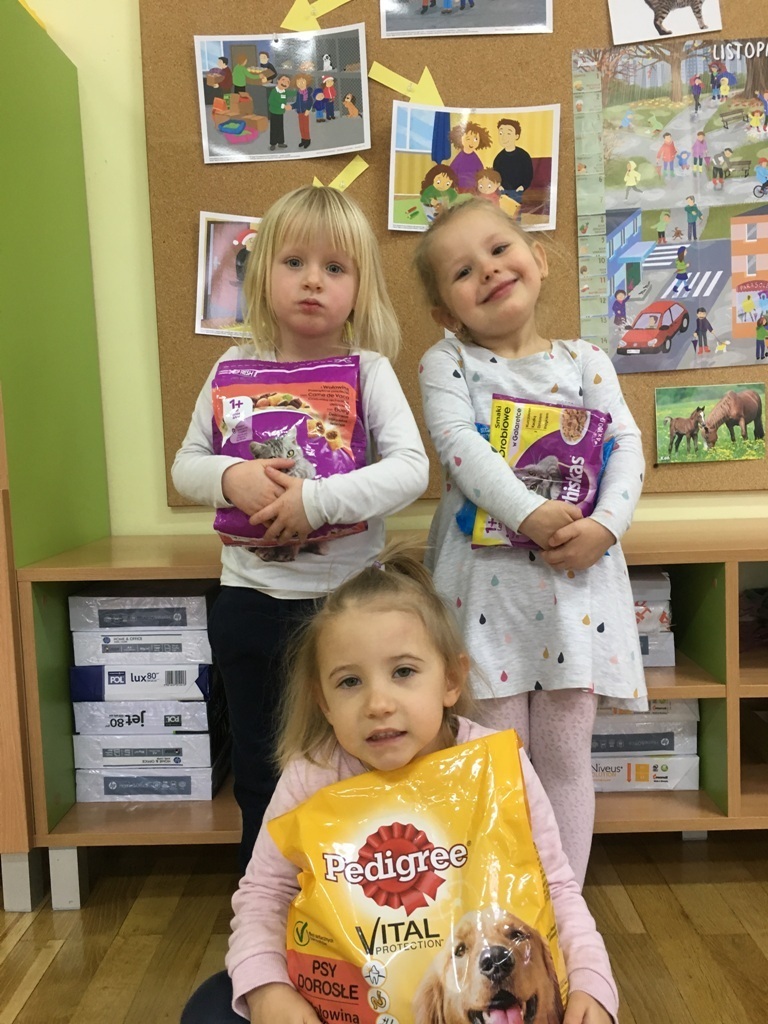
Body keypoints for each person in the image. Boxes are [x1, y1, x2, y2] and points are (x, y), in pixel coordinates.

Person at [180, 550, 619, 1024]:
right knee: (211, 1007)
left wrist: (592, 983)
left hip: (477, 1004)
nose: (378, 703)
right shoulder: (313, 774)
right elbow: (265, 893)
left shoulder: (498, 765)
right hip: (346, 999)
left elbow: (557, 888)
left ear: (451, 679)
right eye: (350, 681)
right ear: (323, 702)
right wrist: (267, 988)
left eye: (403, 672)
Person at [172, 187, 429, 869]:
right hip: (250, 603)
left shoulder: (367, 371)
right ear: (261, 274)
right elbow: (186, 466)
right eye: (294, 262)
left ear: (359, 288)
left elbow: (411, 469)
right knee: (262, 774)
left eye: (335, 267)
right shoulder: (230, 367)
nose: (314, 280)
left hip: (347, 608)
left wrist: (316, 502)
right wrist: (232, 477)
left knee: (359, 766)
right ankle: (266, 908)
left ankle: (360, 900)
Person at [412, 199, 646, 886]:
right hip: (485, 600)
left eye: (498, 250)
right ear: (446, 312)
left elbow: (627, 447)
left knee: (567, 760)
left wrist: (605, 527)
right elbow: (460, 449)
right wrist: (532, 512)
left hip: (577, 592)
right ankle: (502, 907)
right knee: (495, 762)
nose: (487, 270)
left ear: (538, 261)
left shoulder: (586, 360)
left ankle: (563, 909)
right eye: (462, 271)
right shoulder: (446, 361)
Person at [492, 117, 534, 202]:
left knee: (515, 208)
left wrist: (523, 186)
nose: (504, 137)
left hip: (518, 190)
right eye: (501, 133)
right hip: (503, 190)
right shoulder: (498, 158)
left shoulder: (523, 155)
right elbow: (496, 174)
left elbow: (528, 174)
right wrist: (499, 186)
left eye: (508, 133)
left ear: (516, 136)